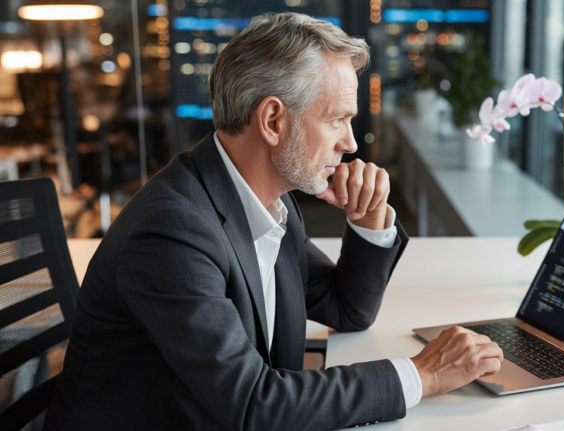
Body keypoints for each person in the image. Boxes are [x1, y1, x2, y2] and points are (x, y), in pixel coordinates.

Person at [45, 12, 503, 431]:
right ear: (272, 120)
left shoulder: (262, 199)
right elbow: (254, 406)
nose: (349, 143)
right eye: (337, 120)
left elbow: (347, 309)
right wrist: (422, 374)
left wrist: (369, 220)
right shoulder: (171, 233)